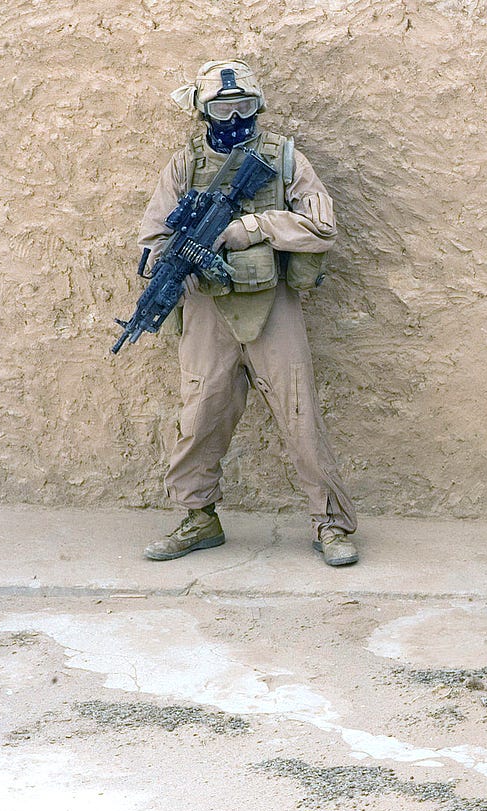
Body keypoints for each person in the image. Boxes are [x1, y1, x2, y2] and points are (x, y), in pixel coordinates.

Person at [137, 59, 359, 567]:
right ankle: (198, 518)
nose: (235, 115)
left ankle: (331, 523)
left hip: (271, 303)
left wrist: (254, 227)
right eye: (222, 106)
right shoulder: (182, 166)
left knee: (299, 415)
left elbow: (321, 225)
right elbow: (151, 242)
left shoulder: (282, 159)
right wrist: (176, 267)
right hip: (206, 309)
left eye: (244, 105)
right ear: (202, 112)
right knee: (201, 412)